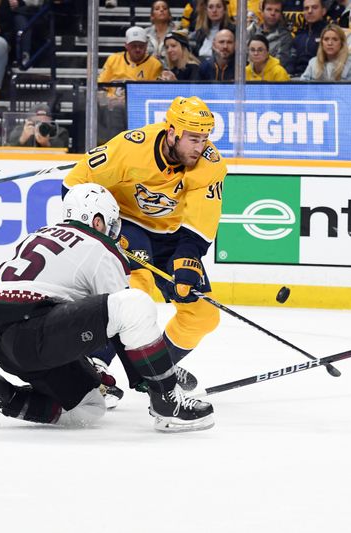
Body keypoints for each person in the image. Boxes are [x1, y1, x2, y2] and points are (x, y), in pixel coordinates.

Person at [0, 183, 214, 432]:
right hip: (35, 335)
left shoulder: (37, 236)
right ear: (97, 220)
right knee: (136, 303)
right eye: (110, 224)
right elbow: (123, 322)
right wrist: (153, 377)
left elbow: (71, 315)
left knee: (89, 409)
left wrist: (91, 370)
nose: (112, 231)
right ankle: (168, 403)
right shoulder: (100, 246)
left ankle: (2, 394)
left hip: (7, 346)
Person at [62, 96, 227, 390]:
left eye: (204, 139)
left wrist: (188, 261)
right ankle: (95, 369)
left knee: (203, 316)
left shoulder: (210, 165)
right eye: (192, 138)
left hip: (172, 234)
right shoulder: (130, 147)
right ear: (172, 131)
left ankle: (155, 369)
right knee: (136, 290)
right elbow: (74, 183)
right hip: (125, 223)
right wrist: (98, 231)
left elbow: (199, 224)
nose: (200, 147)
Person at [97, 26, 163, 143]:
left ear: (146, 45)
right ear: (126, 45)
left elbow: (154, 95)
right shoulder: (114, 59)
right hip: (112, 109)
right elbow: (101, 87)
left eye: (141, 46)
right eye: (133, 46)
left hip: (138, 109)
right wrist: (107, 101)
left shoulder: (155, 65)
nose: (137, 49)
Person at [247, 0, 293, 68]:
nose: (272, 13)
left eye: (277, 11)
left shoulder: (285, 37)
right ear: (262, 12)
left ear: (280, 14)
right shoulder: (252, 31)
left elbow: (279, 64)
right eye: (269, 9)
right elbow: (243, 58)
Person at [288, 0, 327, 76]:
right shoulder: (299, 36)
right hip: (297, 79)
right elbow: (291, 61)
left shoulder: (329, 34)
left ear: (323, 11)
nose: (309, 11)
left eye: (314, 7)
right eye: (306, 8)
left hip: (320, 79)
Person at [141, 0, 180, 66]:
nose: (161, 10)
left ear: (169, 15)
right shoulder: (144, 33)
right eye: (157, 9)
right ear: (152, 16)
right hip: (148, 71)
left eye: (165, 8)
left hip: (172, 71)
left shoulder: (177, 32)